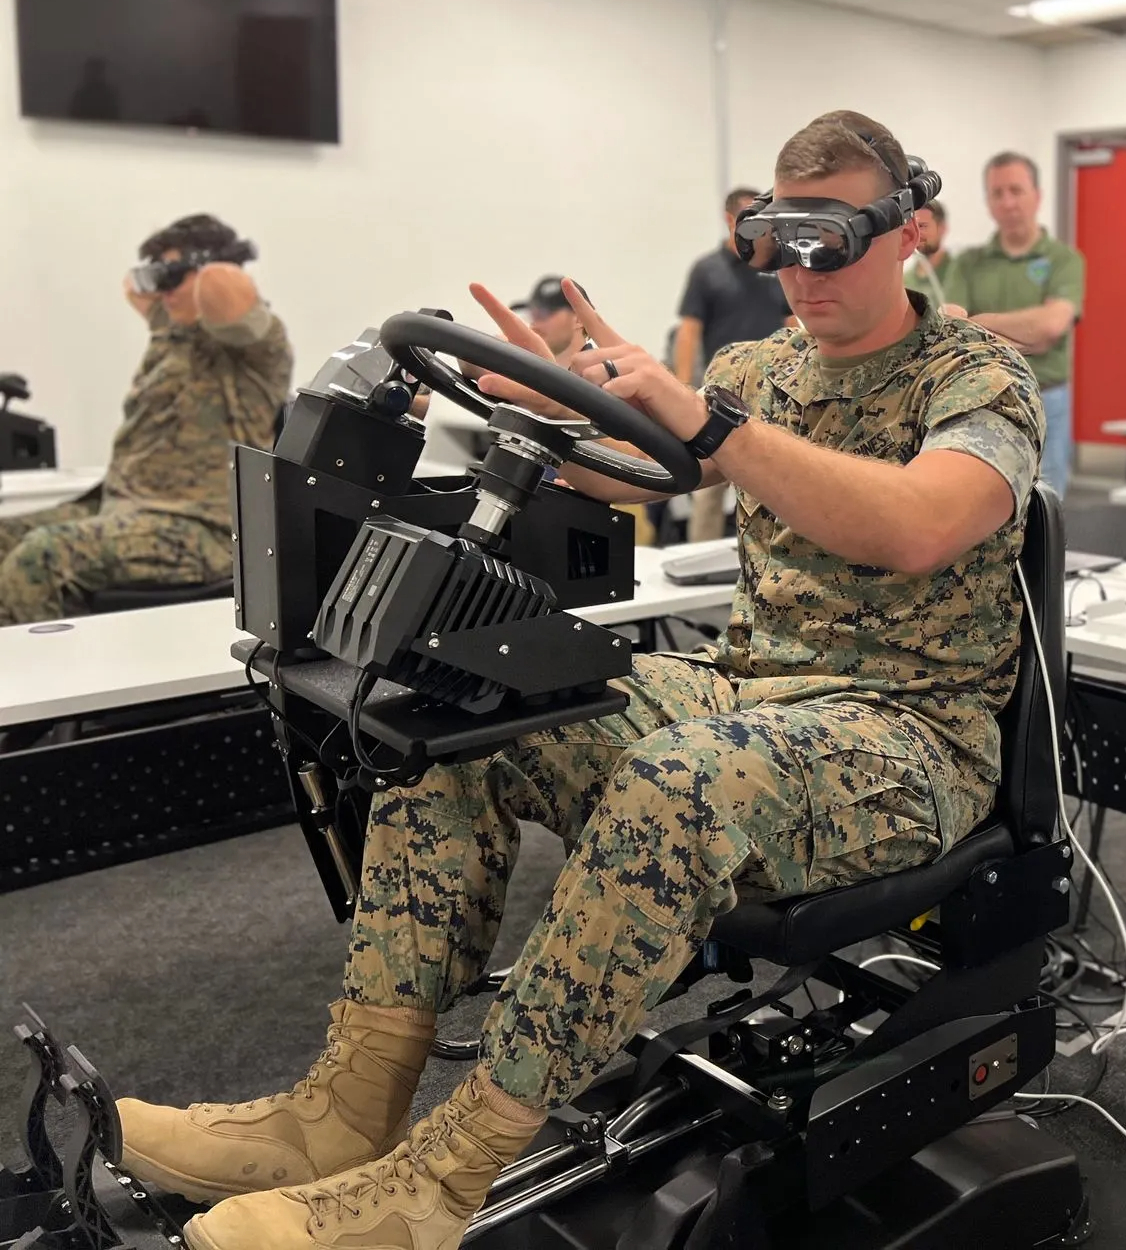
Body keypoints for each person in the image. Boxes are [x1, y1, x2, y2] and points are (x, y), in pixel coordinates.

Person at [118, 111, 1044, 1250]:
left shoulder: (978, 374)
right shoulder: (755, 368)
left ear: (908, 235)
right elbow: (631, 481)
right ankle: (346, 1109)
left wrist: (705, 423)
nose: (801, 274)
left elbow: (917, 525)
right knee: (462, 706)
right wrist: (565, 413)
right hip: (749, 687)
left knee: (680, 782)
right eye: (778, 239)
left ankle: (442, 1183)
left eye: (833, 240)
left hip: (912, 733)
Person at [0, 214, 293, 627]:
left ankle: (58, 682)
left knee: (40, 557)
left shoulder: (256, 343)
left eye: (173, 276)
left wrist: (204, 265)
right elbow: (135, 290)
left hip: (201, 529)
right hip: (124, 510)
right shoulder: (172, 335)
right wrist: (162, 275)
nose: (164, 292)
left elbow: (226, 291)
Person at [941, 153, 1084, 495]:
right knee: (984, 506)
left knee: (1046, 506)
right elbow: (954, 325)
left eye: (1016, 190)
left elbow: (1051, 326)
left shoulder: (1064, 260)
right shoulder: (968, 263)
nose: (1007, 202)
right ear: (988, 202)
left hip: (1048, 400)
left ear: (1038, 195)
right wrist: (1027, 331)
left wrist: (980, 324)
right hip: (983, 398)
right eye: (997, 193)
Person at [675, 186, 793, 541]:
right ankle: (697, 556)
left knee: (773, 484)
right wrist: (681, 386)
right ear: (730, 220)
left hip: (776, 392)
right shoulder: (707, 271)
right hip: (722, 393)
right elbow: (688, 332)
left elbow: (792, 324)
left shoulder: (777, 267)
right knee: (708, 489)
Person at [510, 275, 590, 362]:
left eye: (544, 314)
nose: (534, 326)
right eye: (533, 316)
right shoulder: (521, 371)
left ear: (579, 319)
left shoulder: (600, 373)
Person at [904, 197, 949, 303]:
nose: (916, 234)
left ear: (942, 228)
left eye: (922, 226)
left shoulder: (959, 270)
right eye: (913, 227)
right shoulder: (906, 280)